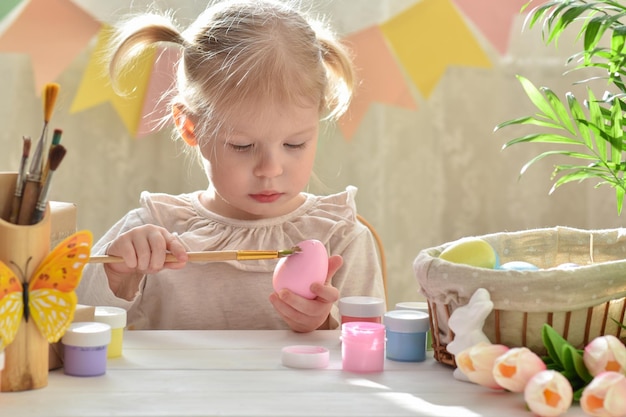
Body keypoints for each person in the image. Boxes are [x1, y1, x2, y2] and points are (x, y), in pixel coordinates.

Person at [77, 0, 385, 332]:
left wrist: (324, 323)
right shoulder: (157, 229)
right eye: (243, 146)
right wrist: (117, 275)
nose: (270, 169)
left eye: (294, 144)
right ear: (189, 128)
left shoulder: (339, 236)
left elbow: (370, 354)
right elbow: (72, 326)